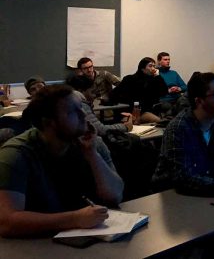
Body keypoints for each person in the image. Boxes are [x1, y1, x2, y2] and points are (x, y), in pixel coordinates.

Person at [0, 85, 123, 237]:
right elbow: (6, 222)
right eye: (73, 111)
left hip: (86, 239)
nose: (83, 114)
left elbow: (116, 195)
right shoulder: (16, 154)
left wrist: (91, 154)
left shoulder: (92, 144)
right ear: (48, 122)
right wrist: (74, 219)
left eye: (81, 107)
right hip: (36, 245)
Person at [66, 75, 133, 135]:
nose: (94, 96)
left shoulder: (66, 103)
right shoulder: (82, 105)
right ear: (80, 91)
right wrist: (125, 127)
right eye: (92, 92)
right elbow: (100, 130)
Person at [110, 57, 168, 123]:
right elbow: (114, 94)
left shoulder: (154, 80)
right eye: (150, 66)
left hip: (146, 112)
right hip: (130, 112)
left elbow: (164, 92)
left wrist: (158, 76)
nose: (153, 68)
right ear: (142, 68)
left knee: (161, 123)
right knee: (158, 121)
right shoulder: (130, 79)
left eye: (154, 66)